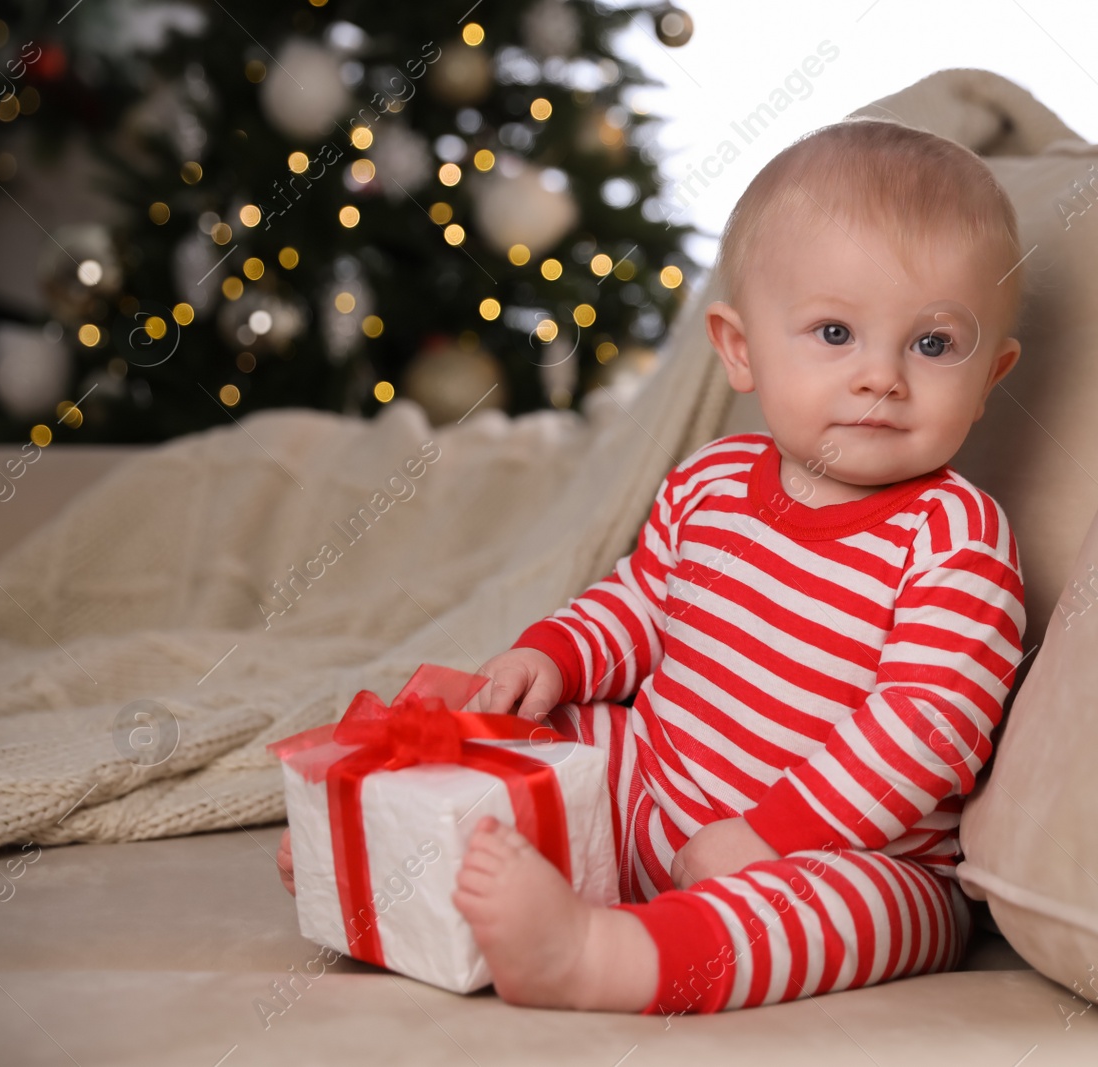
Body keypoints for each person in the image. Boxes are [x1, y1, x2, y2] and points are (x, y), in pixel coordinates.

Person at [279, 116, 1028, 1017]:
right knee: (534, 727)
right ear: (741, 349)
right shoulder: (711, 484)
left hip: (855, 848)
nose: (882, 377)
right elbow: (639, 604)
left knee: (853, 913)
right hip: (656, 777)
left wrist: (772, 835)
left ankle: (605, 955)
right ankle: (379, 851)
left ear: (992, 376)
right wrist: (553, 655)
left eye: (934, 344)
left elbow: (926, 728)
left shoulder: (954, 536)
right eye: (835, 332)